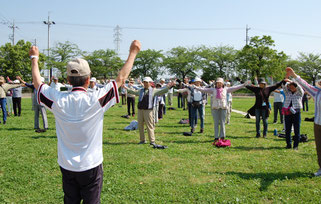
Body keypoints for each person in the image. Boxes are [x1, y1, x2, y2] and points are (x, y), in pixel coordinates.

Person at [29, 40, 141, 203]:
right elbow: (121, 79)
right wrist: (133, 52)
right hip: (91, 165)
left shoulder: (58, 100)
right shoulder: (96, 100)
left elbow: (38, 83)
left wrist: (34, 58)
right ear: (88, 79)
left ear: (68, 79)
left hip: (67, 165)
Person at [286, 67, 321, 176]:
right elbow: (306, 85)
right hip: (318, 123)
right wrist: (294, 75)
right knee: (319, 147)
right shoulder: (317, 92)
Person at [125, 77, 175, 145]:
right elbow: (134, 92)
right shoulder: (141, 90)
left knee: (149, 126)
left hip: (148, 110)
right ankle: (142, 140)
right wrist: (126, 88)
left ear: (150, 83)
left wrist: (170, 86)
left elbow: (162, 91)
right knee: (140, 125)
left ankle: (152, 141)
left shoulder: (153, 90)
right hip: (140, 110)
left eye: (146, 82)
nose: (145, 83)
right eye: (144, 82)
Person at [282, 79, 303, 150]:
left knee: (297, 129)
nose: (290, 87)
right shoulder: (287, 93)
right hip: (287, 112)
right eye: (289, 86)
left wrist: (292, 81)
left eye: (292, 86)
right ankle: (288, 144)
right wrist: (286, 80)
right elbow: (283, 86)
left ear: (295, 87)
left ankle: (295, 146)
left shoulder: (299, 93)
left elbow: (299, 87)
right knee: (287, 129)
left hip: (296, 112)